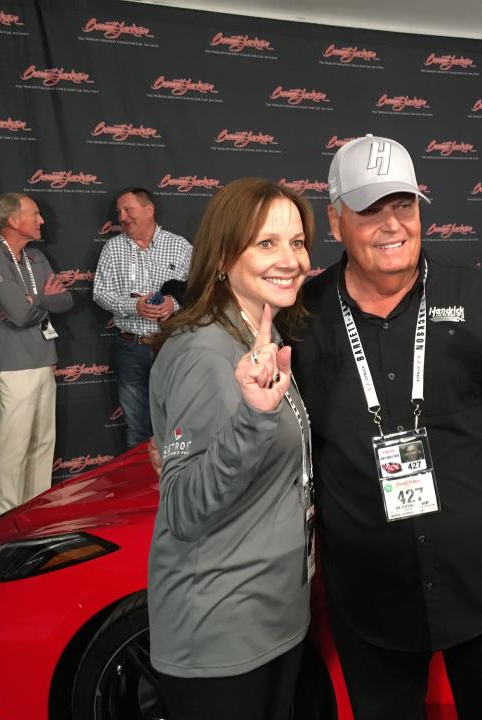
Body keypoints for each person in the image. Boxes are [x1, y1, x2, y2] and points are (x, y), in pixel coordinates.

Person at [290, 134, 482, 720]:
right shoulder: (301, 314)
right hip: (371, 600)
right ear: (335, 219)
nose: (391, 224)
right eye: (370, 209)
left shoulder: (480, 296)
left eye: (403, 205)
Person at [147, 178, 315, 720]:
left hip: (269, 619)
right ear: (222, 257)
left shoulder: (254, 337)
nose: (289, 259)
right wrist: (253, 419)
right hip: (222, 634)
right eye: (267, 243)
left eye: (297, 241)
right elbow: (183, 509)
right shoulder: (205, 351)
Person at [0, 193, 73, 514]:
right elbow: (18, 314)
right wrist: (40, 300)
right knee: (14, 448)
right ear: (14, 221)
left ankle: (36, 513)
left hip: (44, 358)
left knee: (43, 443)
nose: (42, 221)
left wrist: (35, 301)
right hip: (12, 366)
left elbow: (65, 301)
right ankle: (9, 517)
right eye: (36, 214)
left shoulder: (36, 257)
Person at [92, 187, 191, 447]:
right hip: (130, 347)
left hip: (171, 346)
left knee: (176, 420)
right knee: (136, 425)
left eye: (128, 210)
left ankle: (173, 483)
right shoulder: (112, 249)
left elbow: (199, 290)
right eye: (119, 212)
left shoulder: (180, 246)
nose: (122, 217)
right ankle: (141, 486)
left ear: (149, 209)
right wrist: (134, 306)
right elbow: (100, 293)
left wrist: (174, 303)